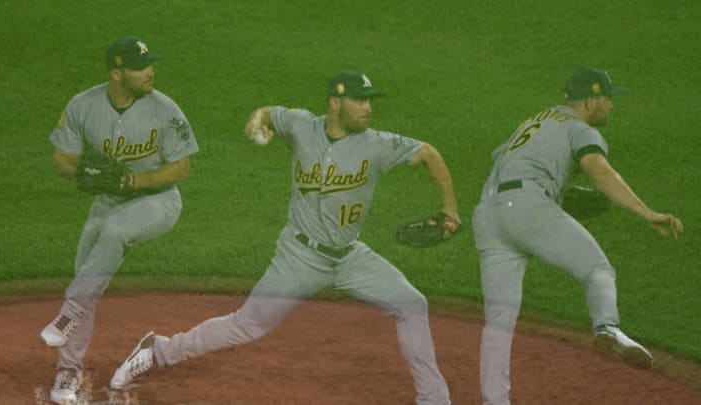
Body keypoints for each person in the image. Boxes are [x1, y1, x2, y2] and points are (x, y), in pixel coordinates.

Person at [110, 71, 461, 405]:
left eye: (370, 101)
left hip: (351, 258)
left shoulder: (378, 144)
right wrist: (256, 123)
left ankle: (435, 399)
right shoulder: (301, 125)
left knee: (412, 304)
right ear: (336, 103)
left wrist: (450, 211)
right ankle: (157, 350)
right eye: (360, 100)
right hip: (299, 257)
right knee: (247, 325)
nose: (368, 107)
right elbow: (268, 113)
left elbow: (429, 153)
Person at [471, 67, 683, 404]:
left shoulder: (533, 121)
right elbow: (600, 170)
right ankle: (607, 328)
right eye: (608, 98)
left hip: (488, 213)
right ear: (590, 100)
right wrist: (647, 213)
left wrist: (556, 193)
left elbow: (504, 159)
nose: (612, 104)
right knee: (597, 269)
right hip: (527, 207)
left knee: (499, 320)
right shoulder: (579, 129)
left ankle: (495, 401)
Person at [41, 35, 199, 404]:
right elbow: (62, 159)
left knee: (115, 232)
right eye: (140, 67)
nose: (150, 72)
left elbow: (181, 168)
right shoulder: (83, 106)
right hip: (107, 203)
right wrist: (84, 174)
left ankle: (70, 311)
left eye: (150, 64)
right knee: (87, 275)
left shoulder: (165, 109)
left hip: (157, 201)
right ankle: (69, 370)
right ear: (116, 73)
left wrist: (135, 179)